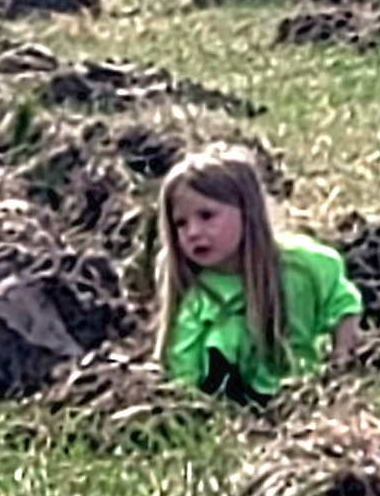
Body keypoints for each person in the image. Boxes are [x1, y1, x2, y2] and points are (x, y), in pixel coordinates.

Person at [155, 143, 362, 404]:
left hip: (302, 400)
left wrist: (341, 363)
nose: (193, 232)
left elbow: (343, 303)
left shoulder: (302, 266)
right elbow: (183, 374)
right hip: (231, 414)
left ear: (248, 210)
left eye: (207, 215)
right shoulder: (198, 299)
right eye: (181, 224)